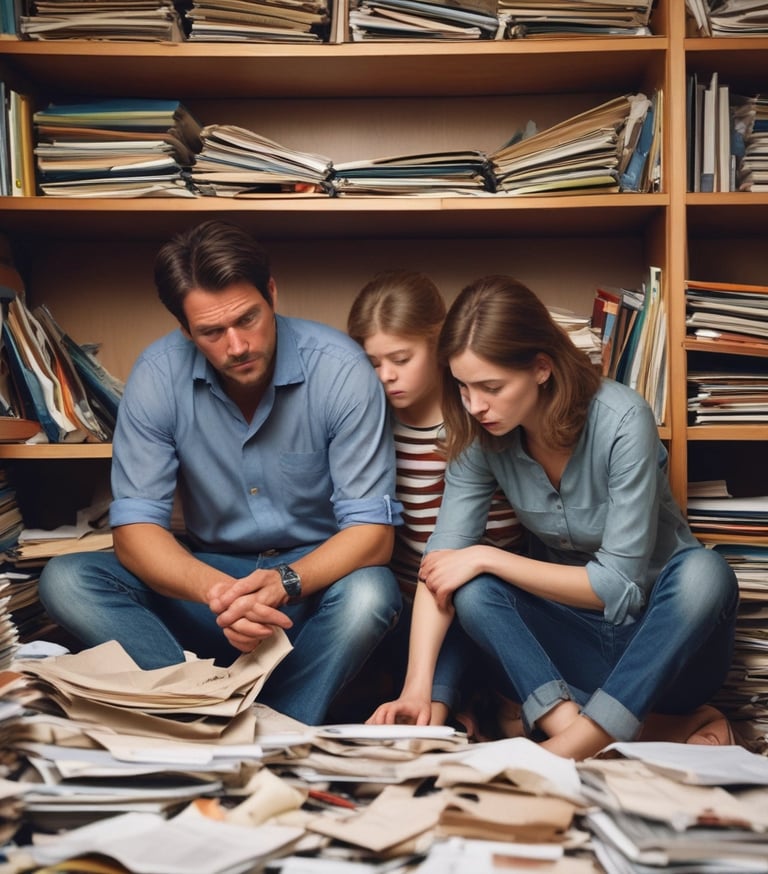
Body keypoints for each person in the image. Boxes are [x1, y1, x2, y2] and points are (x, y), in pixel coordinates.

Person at [38, 219, 403, 726]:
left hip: (310, 589)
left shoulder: (340, 370)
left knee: (371, 593)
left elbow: (372, 535)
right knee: (67, 580)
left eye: (248, 318)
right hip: (206, 591)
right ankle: (197, 710)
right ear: (185, 329)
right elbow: (135, 533)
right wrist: (219, 594)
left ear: (271, 293)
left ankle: (275, 725)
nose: (237, 345)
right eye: (212, 332)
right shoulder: (157, 376)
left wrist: (284, 582)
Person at [368, 274, 739, 760]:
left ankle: (569, 742)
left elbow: (616, 587)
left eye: (491, 387)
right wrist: (416, 690)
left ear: (541, 368)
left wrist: (488, 557)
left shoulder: (623, 419)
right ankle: (580, 731)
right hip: (573, 651)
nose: (475, 405)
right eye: (462, 386)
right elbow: (440, 564)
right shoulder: (482, 436)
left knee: (705, 573)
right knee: (471, 588)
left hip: (666, 651)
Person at [347, 270, 524, 731]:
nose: (386, 375)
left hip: (489, 601)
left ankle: (444, 709)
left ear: (439, 344)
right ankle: (450, 708)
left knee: (469, 596)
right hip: (406, 613)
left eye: (401, 358)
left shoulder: (481, 415)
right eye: (372, 362)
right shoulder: (370, 423)